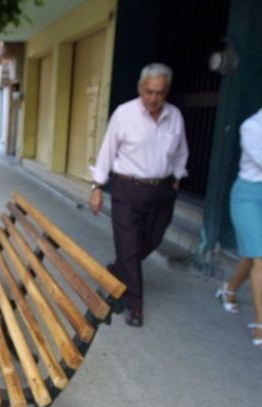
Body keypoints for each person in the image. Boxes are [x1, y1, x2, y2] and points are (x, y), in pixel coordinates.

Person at [88, 63, 189, 327]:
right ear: (140, 89)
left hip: (162, 190)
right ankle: (135, 305)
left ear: (166, 92)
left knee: (152, 241)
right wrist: (97, 187)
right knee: (130, 248)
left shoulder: (175, 115)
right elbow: (107, 151)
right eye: (149, 92)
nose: (154, 98)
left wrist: (177, 178)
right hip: (127, 190)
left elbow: (181, 150)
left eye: (160, 92)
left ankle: (118, 269)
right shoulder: (124, 114)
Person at [215, 107, 262, 347]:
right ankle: (261, 323)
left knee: (253, 254)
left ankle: (229, 288)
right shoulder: (252, 125)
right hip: (249, 195)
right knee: (261, 258)